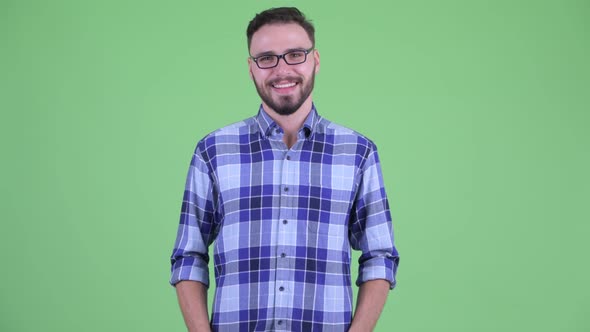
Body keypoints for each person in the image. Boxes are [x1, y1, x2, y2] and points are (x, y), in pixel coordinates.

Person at [170, 7, 399, 332]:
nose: (282, 69)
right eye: (266, 58)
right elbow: (189, 256)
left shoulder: (358, 152)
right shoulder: (213, 152)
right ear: (251, 68)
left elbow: (379, 256)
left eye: (295, 55)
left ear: (315, 60)